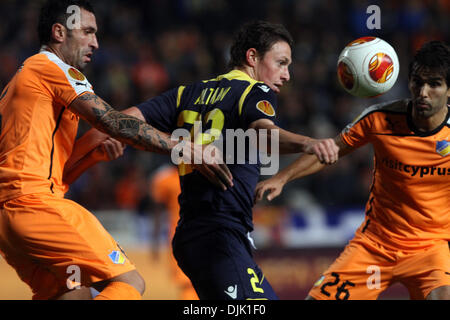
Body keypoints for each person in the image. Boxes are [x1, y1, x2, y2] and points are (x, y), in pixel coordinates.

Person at [0, 0, 231, 300]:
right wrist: (184, 148)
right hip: (35, 206)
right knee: (128, 283)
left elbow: (55, 172)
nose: (96, 43)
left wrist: (93, 153)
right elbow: (113, 122)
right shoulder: (51, 67)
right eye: (87, 32)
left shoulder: (18, 86)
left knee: (73, 293)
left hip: (11, 222)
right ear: (59, 32)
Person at [112, 20, 339, 300]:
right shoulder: (254, 91)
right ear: (252, 57)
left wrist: (170, 145)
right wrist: (309, 143)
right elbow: (264, 134)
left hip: (193, 236)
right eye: (281, 63)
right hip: (219, 234)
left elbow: (119, 121)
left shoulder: (187, 93)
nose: (287, 74)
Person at [255, 40, 450, 300]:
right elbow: (331, 150)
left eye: (434, 84)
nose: (423, 92)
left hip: (430, 249)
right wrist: (282, 177)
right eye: (418, 81)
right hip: (374, 245)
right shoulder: (379, 118)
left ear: (449, 90)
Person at [148, 164, 198, 300]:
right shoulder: (165, 179)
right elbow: (157, 213)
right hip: (179, 238)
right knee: (187, 283)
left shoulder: (204, 173)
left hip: (201, 236)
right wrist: (155, 242)